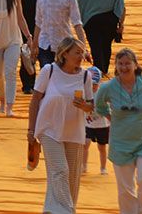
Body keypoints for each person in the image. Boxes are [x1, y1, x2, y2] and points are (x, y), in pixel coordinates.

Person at [27, 36, 97, 214]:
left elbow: (91, 106)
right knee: (61, 171)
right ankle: (67, 211)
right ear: (64, 54)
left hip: (74, 131)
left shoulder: (85, 76)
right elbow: (35, 100)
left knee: (71, 179)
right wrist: (31, 130)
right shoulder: (48, 71)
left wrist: (85, 106)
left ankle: (51, 210)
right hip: (49, 129)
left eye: (83, 52)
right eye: (77, 52)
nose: (81, 56)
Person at [94, 48, 142, 214]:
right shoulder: (108, 87)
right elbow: (99, 105)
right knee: (125, 188)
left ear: (135, 65)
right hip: (120, 143)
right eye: (120, 64)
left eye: (127, 63)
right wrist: (111, 118)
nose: (124, 67)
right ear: (116, 66)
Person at [32, 0, 86, 68]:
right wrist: (34, 46)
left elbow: (77, 23)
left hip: (65, 46)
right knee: (48, 75)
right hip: (45, 45)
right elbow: (38, 23)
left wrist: (82, 47)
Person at [78, 0, 125, 76]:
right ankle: (104, 69)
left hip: (91, 22)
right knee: (106, 45)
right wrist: (121, 23)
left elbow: (79, 5)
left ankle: (99, 70)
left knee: (95, 46)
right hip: (110, 21)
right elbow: (121, 5)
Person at [14, 0, 47, 95]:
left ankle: (42, 85)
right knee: (26, 57)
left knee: (43, 58)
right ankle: (27, 85)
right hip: (23, 25)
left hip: (43, 26)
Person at [82, 61, 109, 176]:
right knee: (85, 144)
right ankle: (83, 166)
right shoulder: (84, 91)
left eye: (95, 85)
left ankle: (103, 167)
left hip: (102, 124)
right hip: (88, 124)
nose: (92, 87)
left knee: (102, 147)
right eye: (90, 85)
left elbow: (110, 103)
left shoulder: (102, 92)